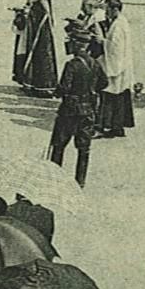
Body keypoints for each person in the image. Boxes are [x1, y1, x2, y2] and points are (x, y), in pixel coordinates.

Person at [48, 28, 102, 188]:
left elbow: (64, 87)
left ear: (77, 44)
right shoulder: (94, 63)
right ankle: (80, 182)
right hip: (88, 110)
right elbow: (103, 83)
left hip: (70, 110)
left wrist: (56, 92)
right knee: (84, 148)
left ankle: (54, 179)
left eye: (70, 41)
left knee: (59, 145)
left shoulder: (71, 64)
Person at [13, 0, 59, 97]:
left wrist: (30, 13)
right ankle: (30, 83)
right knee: (31, 54)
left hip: (41, 30)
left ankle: (43, 86)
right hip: (33, 27)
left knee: (41, 56)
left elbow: (46, 12)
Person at [97, 0, 136, 138]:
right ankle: (117, 127)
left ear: (115, 9)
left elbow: (115, 48)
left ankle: (107, 127)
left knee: (110, 96)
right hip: (121, 65)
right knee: (119, 97)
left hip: (116, 66)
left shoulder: (118, 26)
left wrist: (102, 41)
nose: (106, 13)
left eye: (107, 10)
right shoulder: (120, 21)